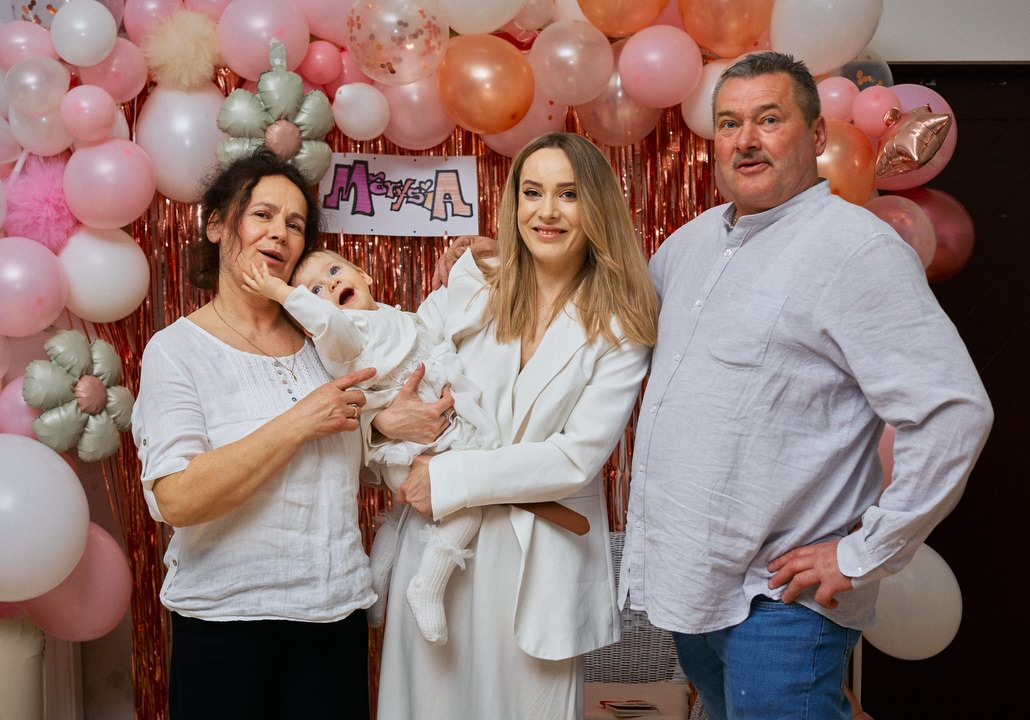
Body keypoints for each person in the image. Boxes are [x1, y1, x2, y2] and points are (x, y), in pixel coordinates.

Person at [618, 52, 994, 720]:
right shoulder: (688, 245)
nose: (746, 139)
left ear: (817, 136)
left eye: (769, 119)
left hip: (782, 602)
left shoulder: (856, 248)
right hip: (697, 588)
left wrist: (863, 553)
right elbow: (612, 330)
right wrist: (504, 267)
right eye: (729, 123)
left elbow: (954, 411)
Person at [371, 131, 659, 720]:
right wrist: (381, 425)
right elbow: (400, 371)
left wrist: (447, 477)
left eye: (568, 194)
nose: (546, 211)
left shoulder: (621, 322)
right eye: (532, 192)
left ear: (598, 206)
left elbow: (575, 457)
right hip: (437, 556)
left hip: (538, 568)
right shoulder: (470, 283)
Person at [131, 149, 376, 720]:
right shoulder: (177, 350)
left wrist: (395, 424)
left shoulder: (328, 340)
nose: (279, 233)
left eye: (295, 224)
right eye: (262, 215)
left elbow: (360, 459)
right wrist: (297, 422)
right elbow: (177, 499)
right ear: (217, 225)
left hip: (335, 615)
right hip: (226, 626)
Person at [243, 249, 498, 645]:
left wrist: (474, 262)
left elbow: (436, 323)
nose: (330, 284)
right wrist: (282, 293)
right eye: (315, 290)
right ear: (310, 323)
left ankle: (375, 590)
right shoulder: (343, 334)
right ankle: (427, 587)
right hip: (404, 448)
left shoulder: (396, 317)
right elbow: (329, 322)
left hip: (434, 437)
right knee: (468, 509)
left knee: (401, 515)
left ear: (363, 274)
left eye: (334, 271)